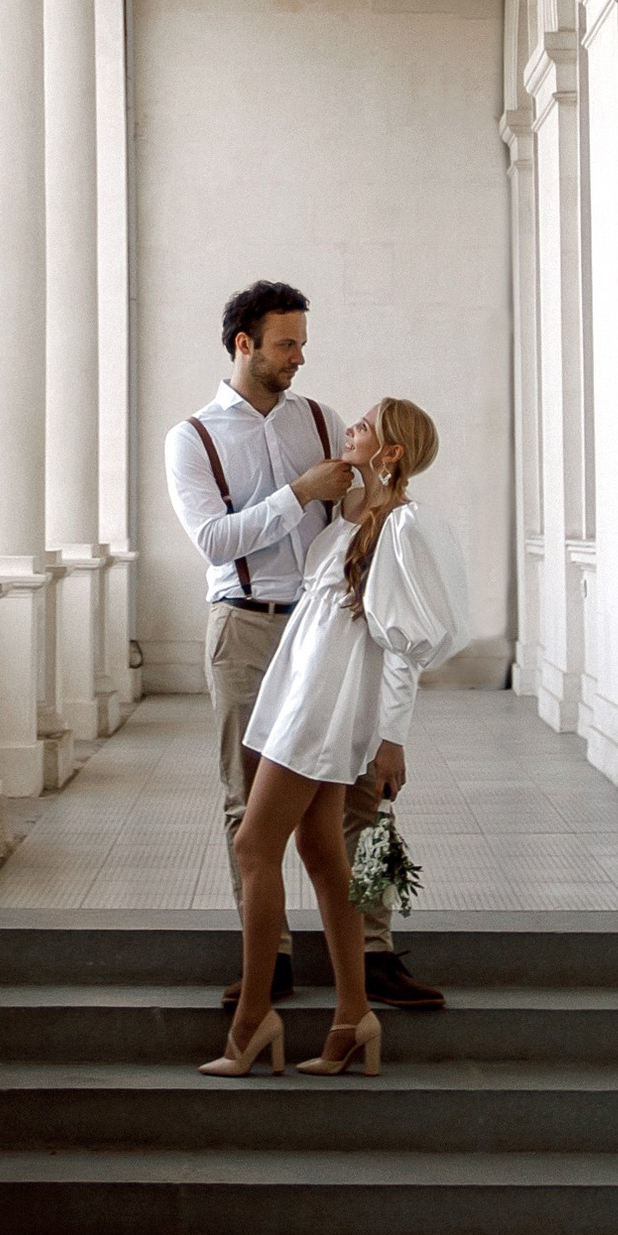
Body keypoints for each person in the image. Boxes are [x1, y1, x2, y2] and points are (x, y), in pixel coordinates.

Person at [164, 284, 443, 1012]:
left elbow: (362, 517)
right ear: (244, 344)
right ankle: (273, 956)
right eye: (286, 343)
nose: (299, 357)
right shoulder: (192, 438)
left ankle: (373, 953)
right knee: (248, 796)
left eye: (301, 343)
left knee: (363, 793)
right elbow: (214, 541)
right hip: (248, 627)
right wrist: (297, 491)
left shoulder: (321, 421)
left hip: (337, 631)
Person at [205, 400, 466, 1080]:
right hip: (303, 689)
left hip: (324, 705)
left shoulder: (402, 526)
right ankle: (352, 1017)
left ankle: (253, 1020)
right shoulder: (350, 513)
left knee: (253, 844)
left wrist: (391, 738)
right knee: (321, 852)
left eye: (365, 425)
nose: (351, 427)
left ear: (391, 452)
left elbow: (406, 644)